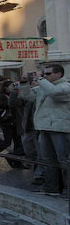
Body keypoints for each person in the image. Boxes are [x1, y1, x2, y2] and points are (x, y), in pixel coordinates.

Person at [33, 63, 70, 196]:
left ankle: (67, 189)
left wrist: (41, 80)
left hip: (60, 128)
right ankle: (51, 188)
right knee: (48, 159)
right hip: (44, 126)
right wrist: (25, 84)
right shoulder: (45, 87)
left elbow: (54, 92)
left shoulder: (65, 86)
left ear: (59, 74)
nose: (45, 76)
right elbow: (27, 96)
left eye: (48, 74)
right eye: (44, 74)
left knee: (64, 160)